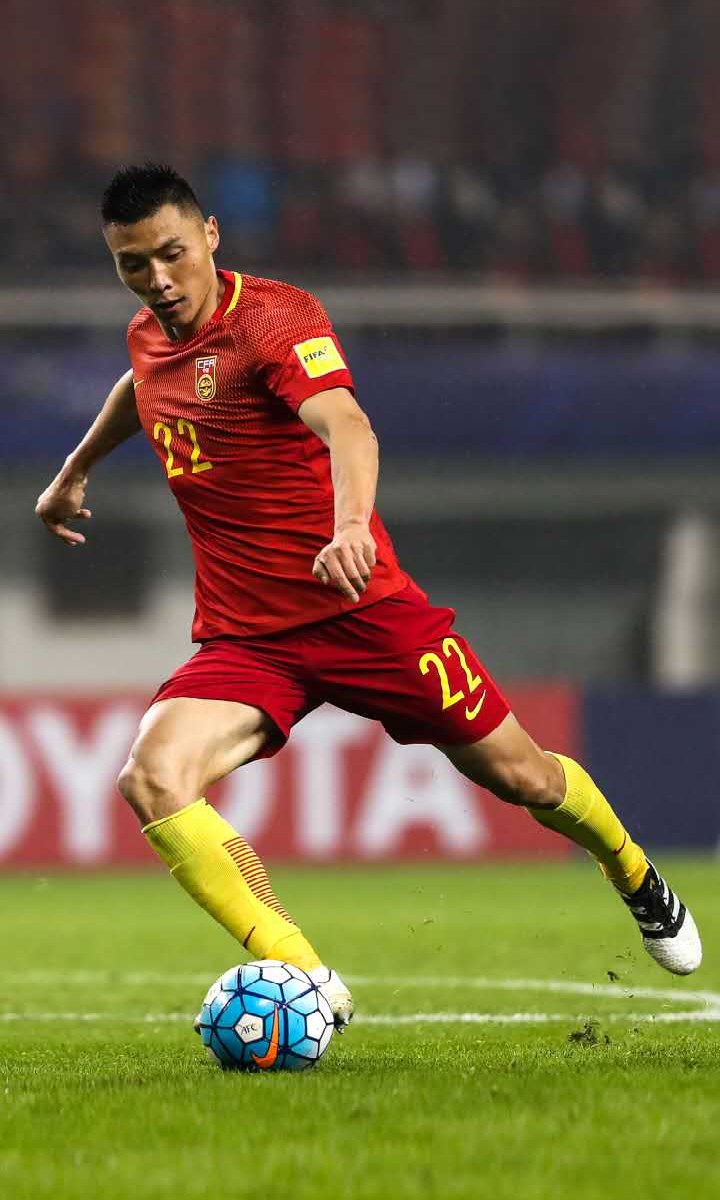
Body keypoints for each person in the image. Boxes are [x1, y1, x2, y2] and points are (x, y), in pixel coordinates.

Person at [36, 165, 701, 1030]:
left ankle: (632, 871)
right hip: (249, 640)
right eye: (134, 264)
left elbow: (347, 423)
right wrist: (75, 469)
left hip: (365, 613)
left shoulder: (275, 319)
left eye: (172, 254)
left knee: (526, 776)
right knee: (152, 778)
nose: (158, 280)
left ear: (210, 236)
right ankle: (309, 979)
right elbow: (145, 384)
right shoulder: (147, 335)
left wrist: (350, 525)